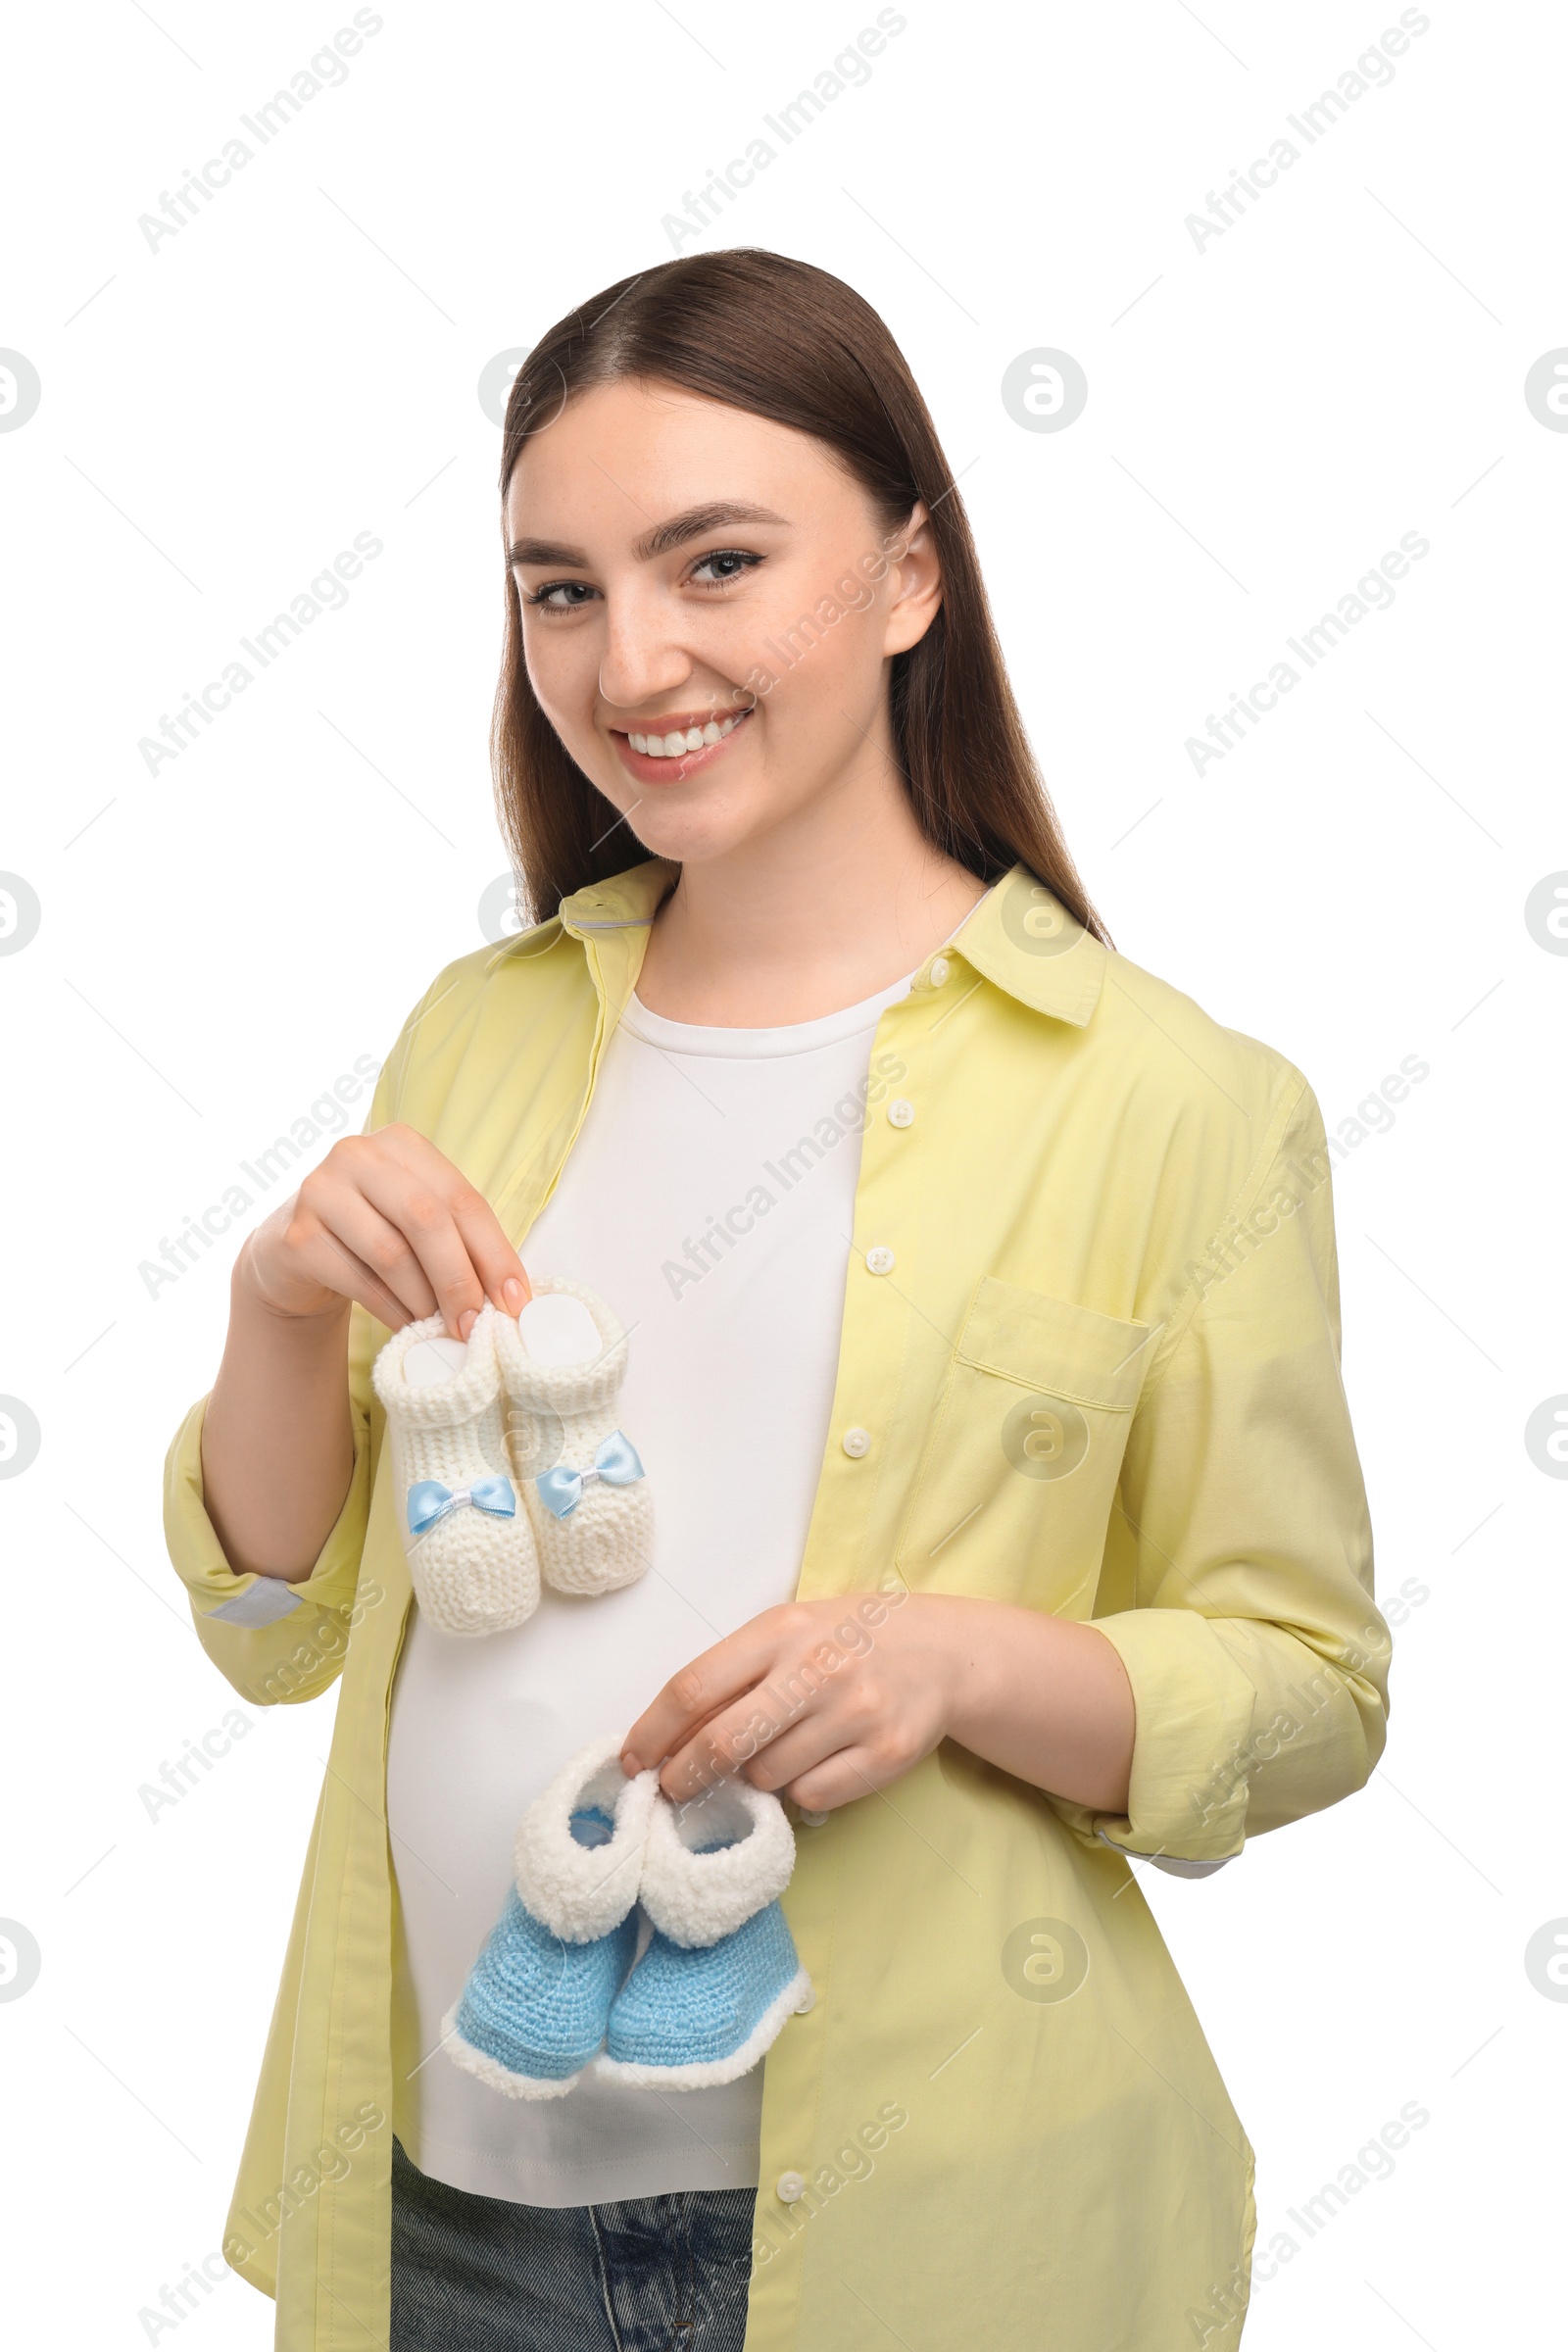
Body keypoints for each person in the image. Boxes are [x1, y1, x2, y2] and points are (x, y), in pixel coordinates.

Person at [164, 248, 1391, 2352]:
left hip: (932, 2243)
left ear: (911, 573)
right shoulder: (481, 1029)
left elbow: (1306, 1689)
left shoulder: (1176, 1105)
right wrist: (282, 1305)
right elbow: (276, 1623)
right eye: (558, 588)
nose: (627, 659)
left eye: (713, 562)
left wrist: (953, 1664)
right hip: (434, 2203)